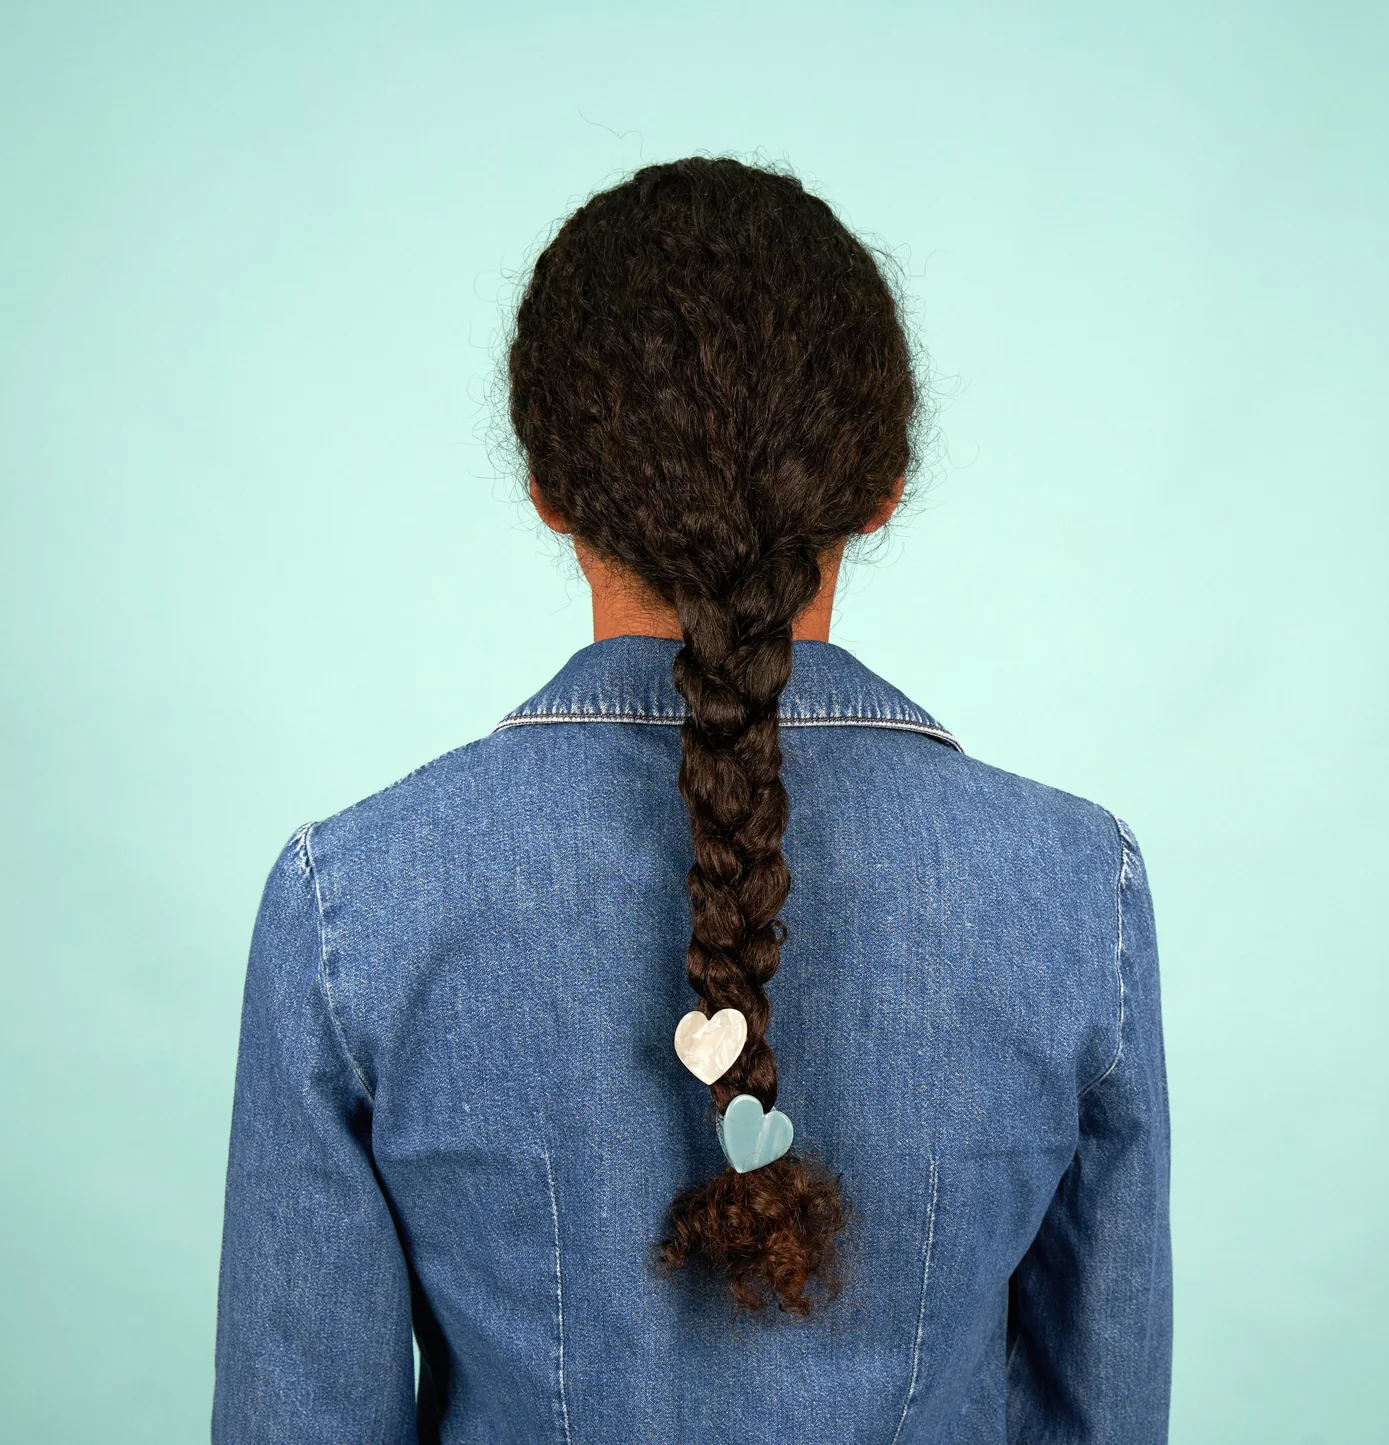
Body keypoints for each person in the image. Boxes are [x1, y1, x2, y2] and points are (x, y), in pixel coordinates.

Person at [212, 156, 1171, 1444]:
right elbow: (1100, 1410)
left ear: (549, 490)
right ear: (881, 490)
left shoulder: (353, 906)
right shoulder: (1076, 889)